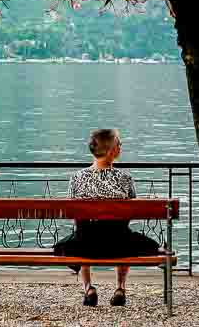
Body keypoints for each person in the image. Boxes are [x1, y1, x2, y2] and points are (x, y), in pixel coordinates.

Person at [53, 128, 160, 307]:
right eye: (119, 143)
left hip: (85, 245)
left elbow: (73, 212)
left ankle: (88, 288)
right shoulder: (125, 178)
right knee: (130, 236)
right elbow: (131, 210)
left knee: (78, 234)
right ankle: (120, 287)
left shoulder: (77, 178)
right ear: (111, 151)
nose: (121, 146)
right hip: (119, 244)